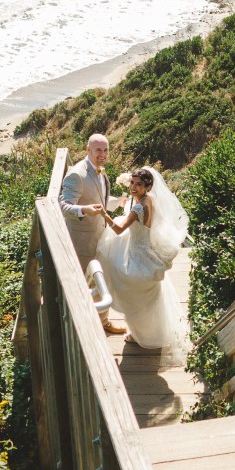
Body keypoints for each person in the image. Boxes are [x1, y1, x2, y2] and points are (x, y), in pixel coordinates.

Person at [97, 166, 190, 359]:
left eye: (138, 184)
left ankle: (140, 333)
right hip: (145, 252)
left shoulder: (139, 206)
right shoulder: (150, 200)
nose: (133, 187)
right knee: (149, 297)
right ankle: (150, 332)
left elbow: (119, 229)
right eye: (132, 182)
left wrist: (104, 215)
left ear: (148, 186)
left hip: (137, 256)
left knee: (128, 289)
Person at [59, 133, 126, 334]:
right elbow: (62, 206)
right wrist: (84, 210)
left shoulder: (99, 171)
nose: (103, 154)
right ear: (88, 150)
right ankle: (80, 329)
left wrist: (116, 202)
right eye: (98, 150)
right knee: (82, 285)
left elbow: (98, 198)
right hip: (82, 240)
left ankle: (103, 322)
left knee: (101, 279)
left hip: (100, 237)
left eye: (106, 150)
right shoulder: (76, 174)